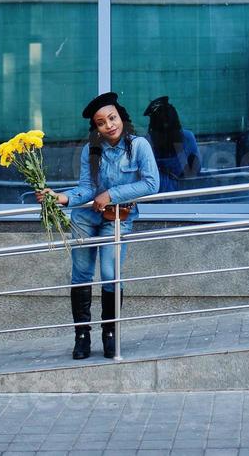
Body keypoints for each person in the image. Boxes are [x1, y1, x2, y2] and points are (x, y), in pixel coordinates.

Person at [39, 92, 159, 360]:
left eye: (112, 118)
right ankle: (82, 337)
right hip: (85, 218)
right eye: (102, 122)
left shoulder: (139, 146)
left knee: (109, 272)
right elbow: (86, 188)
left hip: (118, 218)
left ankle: (110, 334)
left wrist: (111, 195)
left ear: (121, 117)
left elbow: (152, 184)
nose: (109, 125)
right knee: (81, 274)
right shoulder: (90, 150)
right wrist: (60, 198)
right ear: (96, 127)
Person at [143, 96, 200, 193]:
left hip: (182, 194)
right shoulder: (147, 143)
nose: (166, 127)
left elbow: (192, 174)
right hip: (157, 197)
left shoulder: (186, 138)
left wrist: (178, 145)